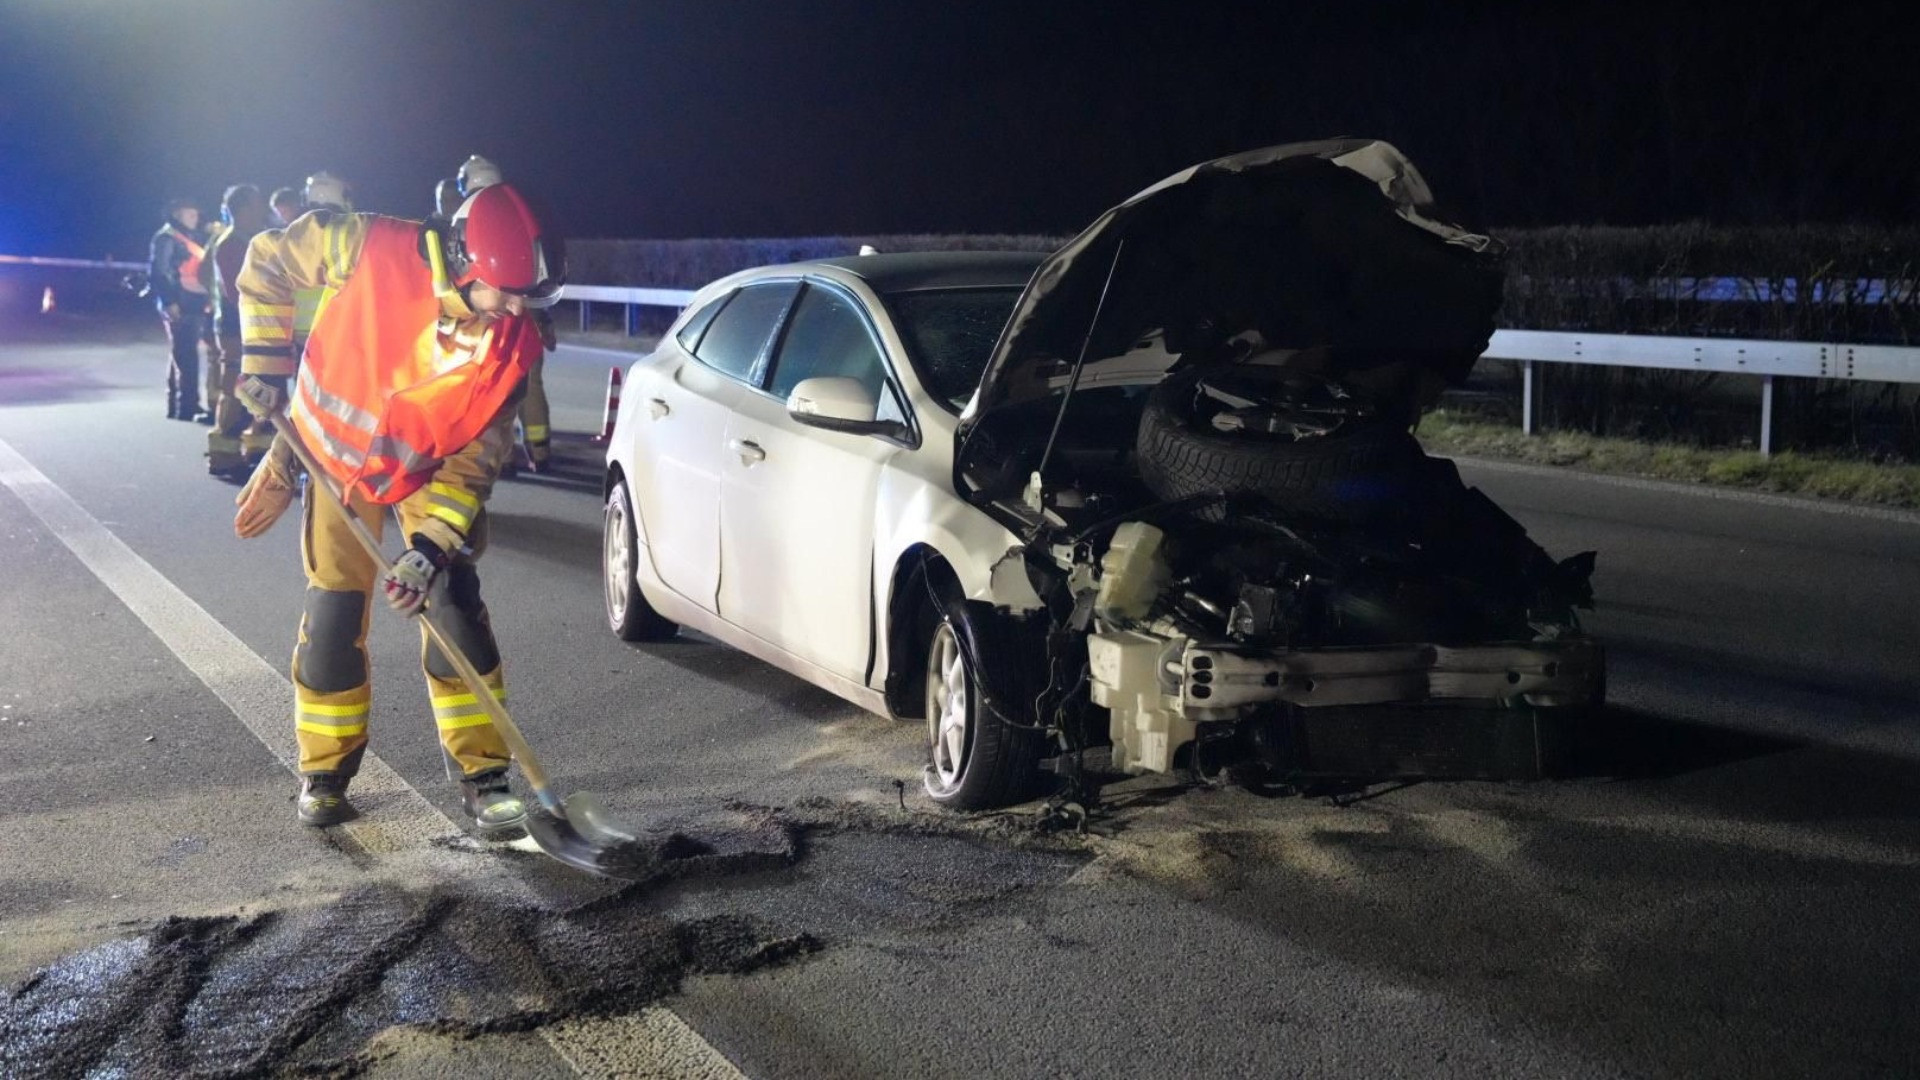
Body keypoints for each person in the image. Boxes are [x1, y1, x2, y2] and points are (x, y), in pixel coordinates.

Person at [229, 182, 565, 833]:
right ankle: (324, 772)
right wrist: (267, 372)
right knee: (334, 612)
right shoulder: (367, 244)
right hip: (333, 454)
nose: (518, 309)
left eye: (533, 296)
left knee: (453, 603)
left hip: (427, 468)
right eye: (508, 293)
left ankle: (483, 775)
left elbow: (476, 462)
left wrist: (427, 549)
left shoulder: (513, 345)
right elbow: (266, 260)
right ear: (470, 262)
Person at [455, 155, 558, 473]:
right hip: (528, 316)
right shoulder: (520, 213)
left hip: (491, 321)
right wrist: (544, 319)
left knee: (494, 390)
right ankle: (539, 451)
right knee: (531, 386)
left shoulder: (465, 219)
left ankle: (504, 456)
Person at [203, 184, 274, 478]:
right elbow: (238, 291)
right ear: (243, 208)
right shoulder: (232, 243)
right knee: (234, 389)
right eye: (258, 204)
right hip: (237, 327)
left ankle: (255, 448)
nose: (263, 210)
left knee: (256, 388)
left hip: (254, 326)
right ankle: (223, 453)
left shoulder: (248, 239)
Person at [148, 198, 211, 422]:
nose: (195, 218)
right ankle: (187, 406)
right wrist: (169, 302)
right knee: (186, 355)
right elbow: (159, 272)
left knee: (181, 353)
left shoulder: (186, 238)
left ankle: (178, 405)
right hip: (180, 303)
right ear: (177, 214)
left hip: (190, 301)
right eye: (190, 214)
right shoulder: (167, 238)